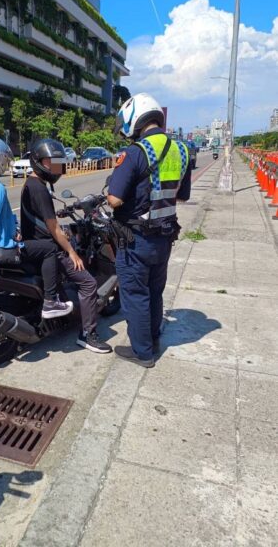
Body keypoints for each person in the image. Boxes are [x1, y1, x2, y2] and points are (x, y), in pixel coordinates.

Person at [108, 93, 191, 368]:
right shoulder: (182, 150)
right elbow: (183, 195)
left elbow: (115, 199)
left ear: (135, 118)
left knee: (135, 295)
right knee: (155, 292)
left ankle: (143, 352)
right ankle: (153, 340)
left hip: (135, 240)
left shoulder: (135, 153)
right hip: (165, 237)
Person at [0, 136, 73, 319]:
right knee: (50, 248)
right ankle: (51, 302)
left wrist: (13, 232)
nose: (6, 162)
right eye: (3, 158)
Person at [20, 138, 112, 354]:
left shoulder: (32, 184)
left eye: (59, 162)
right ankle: (88, 335)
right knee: (89, 284)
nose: (57, 167)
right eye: (53, 162)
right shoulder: (39, 188)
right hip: (47, 247)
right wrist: (71, 252)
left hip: (34, 243)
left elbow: (43, 221)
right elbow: (53, 228)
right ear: (39, 161)